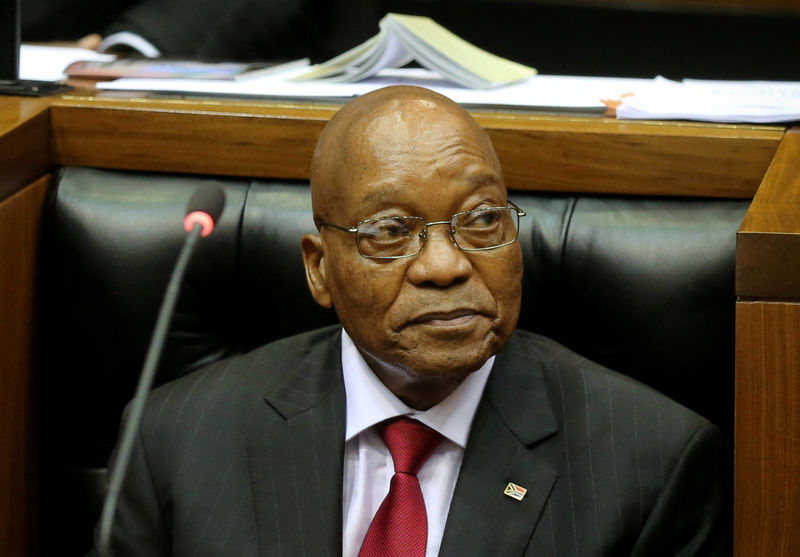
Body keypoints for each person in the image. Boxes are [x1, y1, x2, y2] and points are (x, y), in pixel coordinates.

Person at [91, 85, 729, 556]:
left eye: (481, 220)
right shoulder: (177, 440)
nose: (445, 266)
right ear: (319, 270)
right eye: (391, 232)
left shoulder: (651, 464)